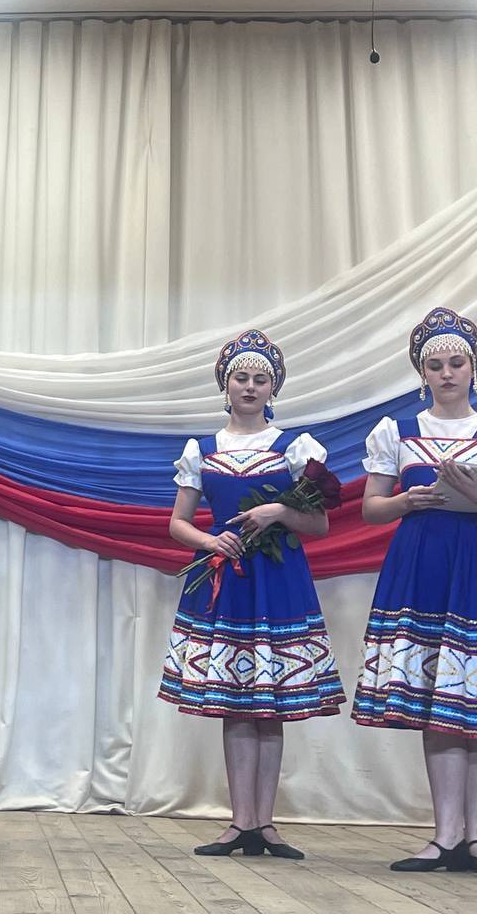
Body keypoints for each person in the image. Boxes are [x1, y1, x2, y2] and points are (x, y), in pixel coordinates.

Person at [160, 329, 345, 859]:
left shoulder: (294, 447)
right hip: (228, 579)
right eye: (240, 377)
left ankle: (265, 824)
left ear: (273, 388)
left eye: (260, 379)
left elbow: (320, 524)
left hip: (277, 581)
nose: (249, 386)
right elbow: (177, 523)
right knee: (235, 704)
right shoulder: (202, 449)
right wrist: (209, 540)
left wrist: (279, 511)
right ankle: (240, 822)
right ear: (225, 384)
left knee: (269, 703)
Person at [353, 306, 477, 873]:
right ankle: (447, 834)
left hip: (472, 564)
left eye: (456, 363)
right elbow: (371, 510)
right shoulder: (397, 432)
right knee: (436, 702)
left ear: (472, 368)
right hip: (424, 565)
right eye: (436, 365)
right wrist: (406, 500)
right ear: (421, 373)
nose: (447, 373)